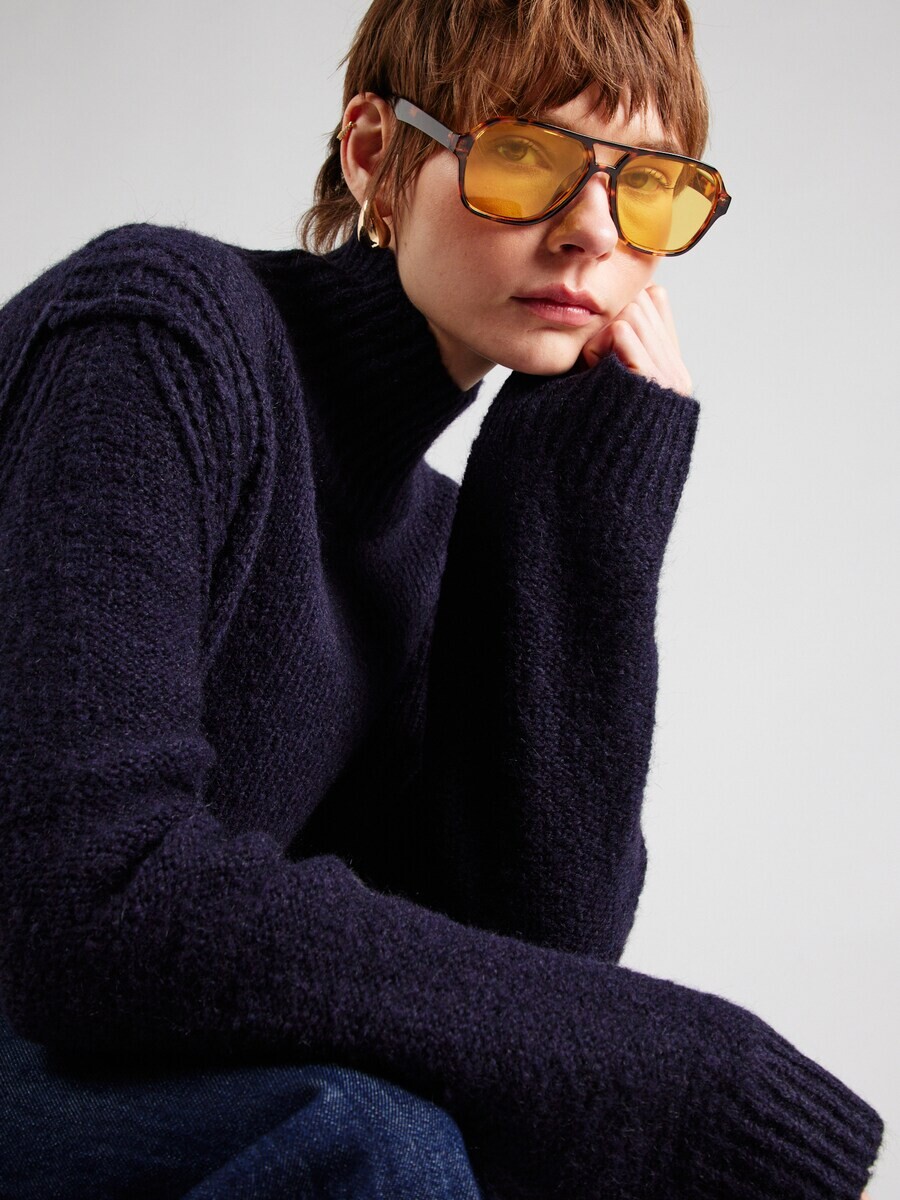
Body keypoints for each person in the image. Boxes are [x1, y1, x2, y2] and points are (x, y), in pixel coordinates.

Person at [0, 0, 883, 1196]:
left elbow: (515, 960)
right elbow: (91, 903)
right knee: (363, 1138)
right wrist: (678, 1066)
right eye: (524, 157)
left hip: (76, 1065)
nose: (591, 231)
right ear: (375, 154)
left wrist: (577, 506)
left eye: (647, 187)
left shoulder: (426, 542)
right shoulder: (157, 337)